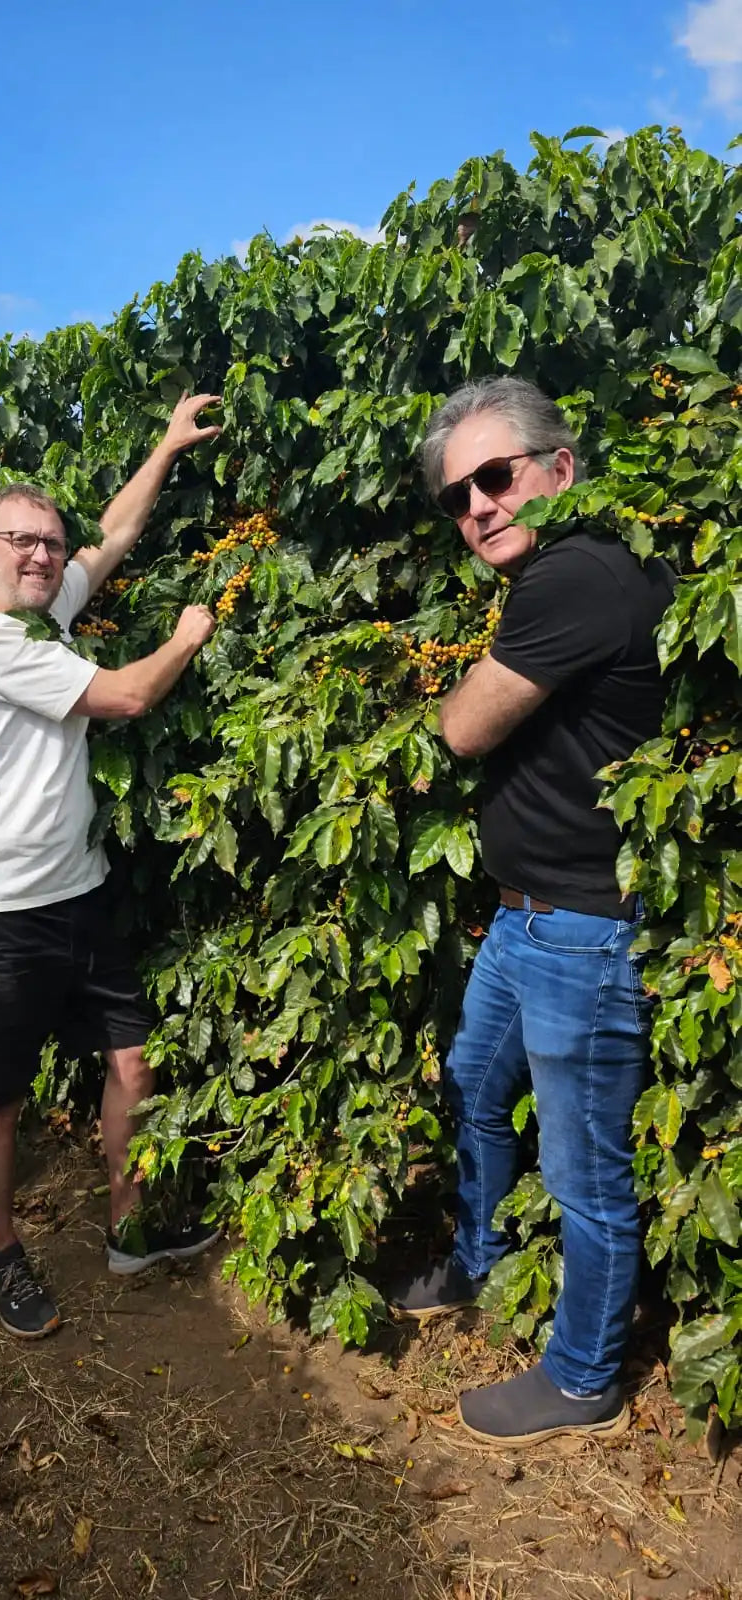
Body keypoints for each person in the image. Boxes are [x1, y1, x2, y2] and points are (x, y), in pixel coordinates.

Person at [390, 376, 675, 1446]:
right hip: (523, 920)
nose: (478, 507)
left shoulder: (578, 577)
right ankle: (482, 1264)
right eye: (459, 495)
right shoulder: (559, 577)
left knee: (584, 1165)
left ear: (560, 467)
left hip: (579, 928)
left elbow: (463, 726)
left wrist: (453, 697)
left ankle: (583, 1373)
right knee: (472, 1085)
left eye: (497, 476)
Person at [0, 392, 223, 1339]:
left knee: (132, 1061)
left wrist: (168, 445)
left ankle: (129, 1228)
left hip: (78, 892)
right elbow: (128, 695)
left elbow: (117, 536)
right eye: (19, 541)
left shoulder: (44, 607)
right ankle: (2, 1254)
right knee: (1, 1098)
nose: (41, 555)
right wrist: (186, 635)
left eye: (49, 543)